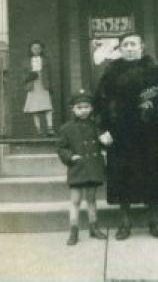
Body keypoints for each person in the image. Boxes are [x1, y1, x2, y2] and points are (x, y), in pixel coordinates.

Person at [94, 33, 158, 240]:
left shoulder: (155, 72)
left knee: (154, 174)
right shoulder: (111, 73)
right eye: (126, 45)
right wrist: (103, 129)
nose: (130, 48)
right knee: (122, 176)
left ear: (142, 47)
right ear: (120, 49)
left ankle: (154, 220)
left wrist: (153, 109)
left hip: (151, 135)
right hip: (121, 134)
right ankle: (125, 223)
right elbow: (100, 102)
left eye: (134, 44)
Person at [57, 89, 106, 246]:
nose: (83, 110)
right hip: (77, 167)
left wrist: (107, 142)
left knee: (91, 199)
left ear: (91, 108)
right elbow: (61, 148)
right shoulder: (66, 128)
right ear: (73, 109)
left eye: (86, 106)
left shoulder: (96, 126)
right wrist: (70, 157)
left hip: (93, 167)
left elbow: (104, 143)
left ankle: (94, 227)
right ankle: (73, 231)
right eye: (79, 107)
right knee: (75, 200)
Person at [23, 40, 55, 137]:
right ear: (30, 49)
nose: (36, 50)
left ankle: (50, 128)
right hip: (33, 84)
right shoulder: (26, 61)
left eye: (38, 48)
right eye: (34, 48)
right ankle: (38, 130)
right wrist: (29, 76)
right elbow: (23, 75)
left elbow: (50, 74)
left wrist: (50, 86)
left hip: (43, 84)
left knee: (48, 106)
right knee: (34, 108)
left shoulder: (46, 60)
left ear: (41, 50)